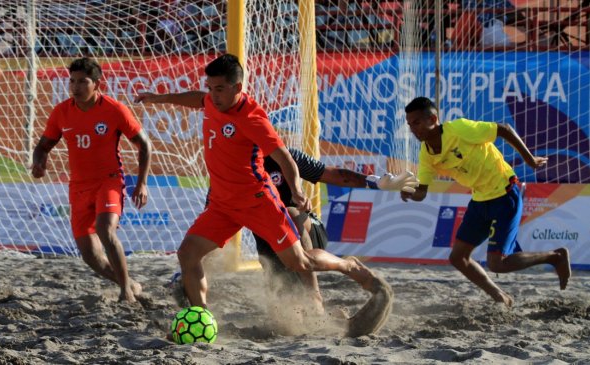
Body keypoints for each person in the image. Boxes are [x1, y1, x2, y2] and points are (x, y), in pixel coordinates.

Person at [135, 54, 392, 336]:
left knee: (300, 262)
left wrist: (295, 189)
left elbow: (285, 159)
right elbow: (197, 98)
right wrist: (159, 98)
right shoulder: (211, 100)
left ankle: (350, 266)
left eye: (219, 88)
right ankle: (202, 317)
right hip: (222, 204)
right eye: (210, 87)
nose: (213, 95)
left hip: (257, 201)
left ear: (237, 87)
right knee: (188, 254)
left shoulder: (252, 118)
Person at [402, 96, 571, 307]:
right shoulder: (426, 154)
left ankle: (554, 257)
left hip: (505, 193)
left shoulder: (459, 129)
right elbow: (421, 193)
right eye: (409, 125)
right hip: (480, 199)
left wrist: (529, 160)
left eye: (417, 122)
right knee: (458, 258)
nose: (413, 129)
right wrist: (407, 190)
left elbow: (504, 129)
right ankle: (501, 297)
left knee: (497, 264)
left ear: (433, 118)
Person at [31, 57, 152, 303]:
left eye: (82, 82)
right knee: (89, 255)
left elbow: (145, 146)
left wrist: (141, 183)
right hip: (78, 186)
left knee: (105, 230)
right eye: (72, 81)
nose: (75, 87)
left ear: (97, 83)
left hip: (109, 181)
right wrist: (39, 162)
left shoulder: (114, 109)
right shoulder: (62, 111)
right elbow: (43, 146)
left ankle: (125, 293)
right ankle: (128, 283)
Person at [256, 148, 419, 315]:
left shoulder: (282, 154)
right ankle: (333, 318)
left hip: (306, 231)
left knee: (290, 214)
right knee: (287, 316)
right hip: (272, 242)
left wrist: (375, 182)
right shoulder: (233, 168)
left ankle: (317, 297)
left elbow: (333, 174)